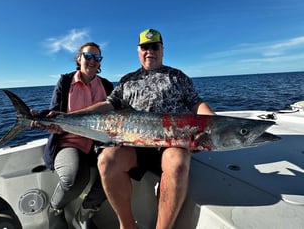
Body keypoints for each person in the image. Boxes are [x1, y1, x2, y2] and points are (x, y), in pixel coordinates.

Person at [69, 29, 214, 229]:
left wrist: (213, 121)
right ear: (138, 51)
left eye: (154, 46)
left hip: (170, 143)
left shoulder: (178, 77)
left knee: (178, 163)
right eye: (145, 47)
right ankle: (127, 225)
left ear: (162, 49)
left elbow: (196, 103)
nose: (149, 51)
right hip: (134, 144)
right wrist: (71, 116)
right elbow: (107, 105)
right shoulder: (128, 80)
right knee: (106, 161)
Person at [39, 42, 113, 229]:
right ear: (79, 58)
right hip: (69, 141)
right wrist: (51, 124)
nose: (92, 61)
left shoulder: (106, 85)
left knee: (118, 169)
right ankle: (55, 208)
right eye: (88, 56)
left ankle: (85, 213)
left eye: (97, 58)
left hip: (99, 143)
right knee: (74, 177)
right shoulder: (65, 82)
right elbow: (55, 113)